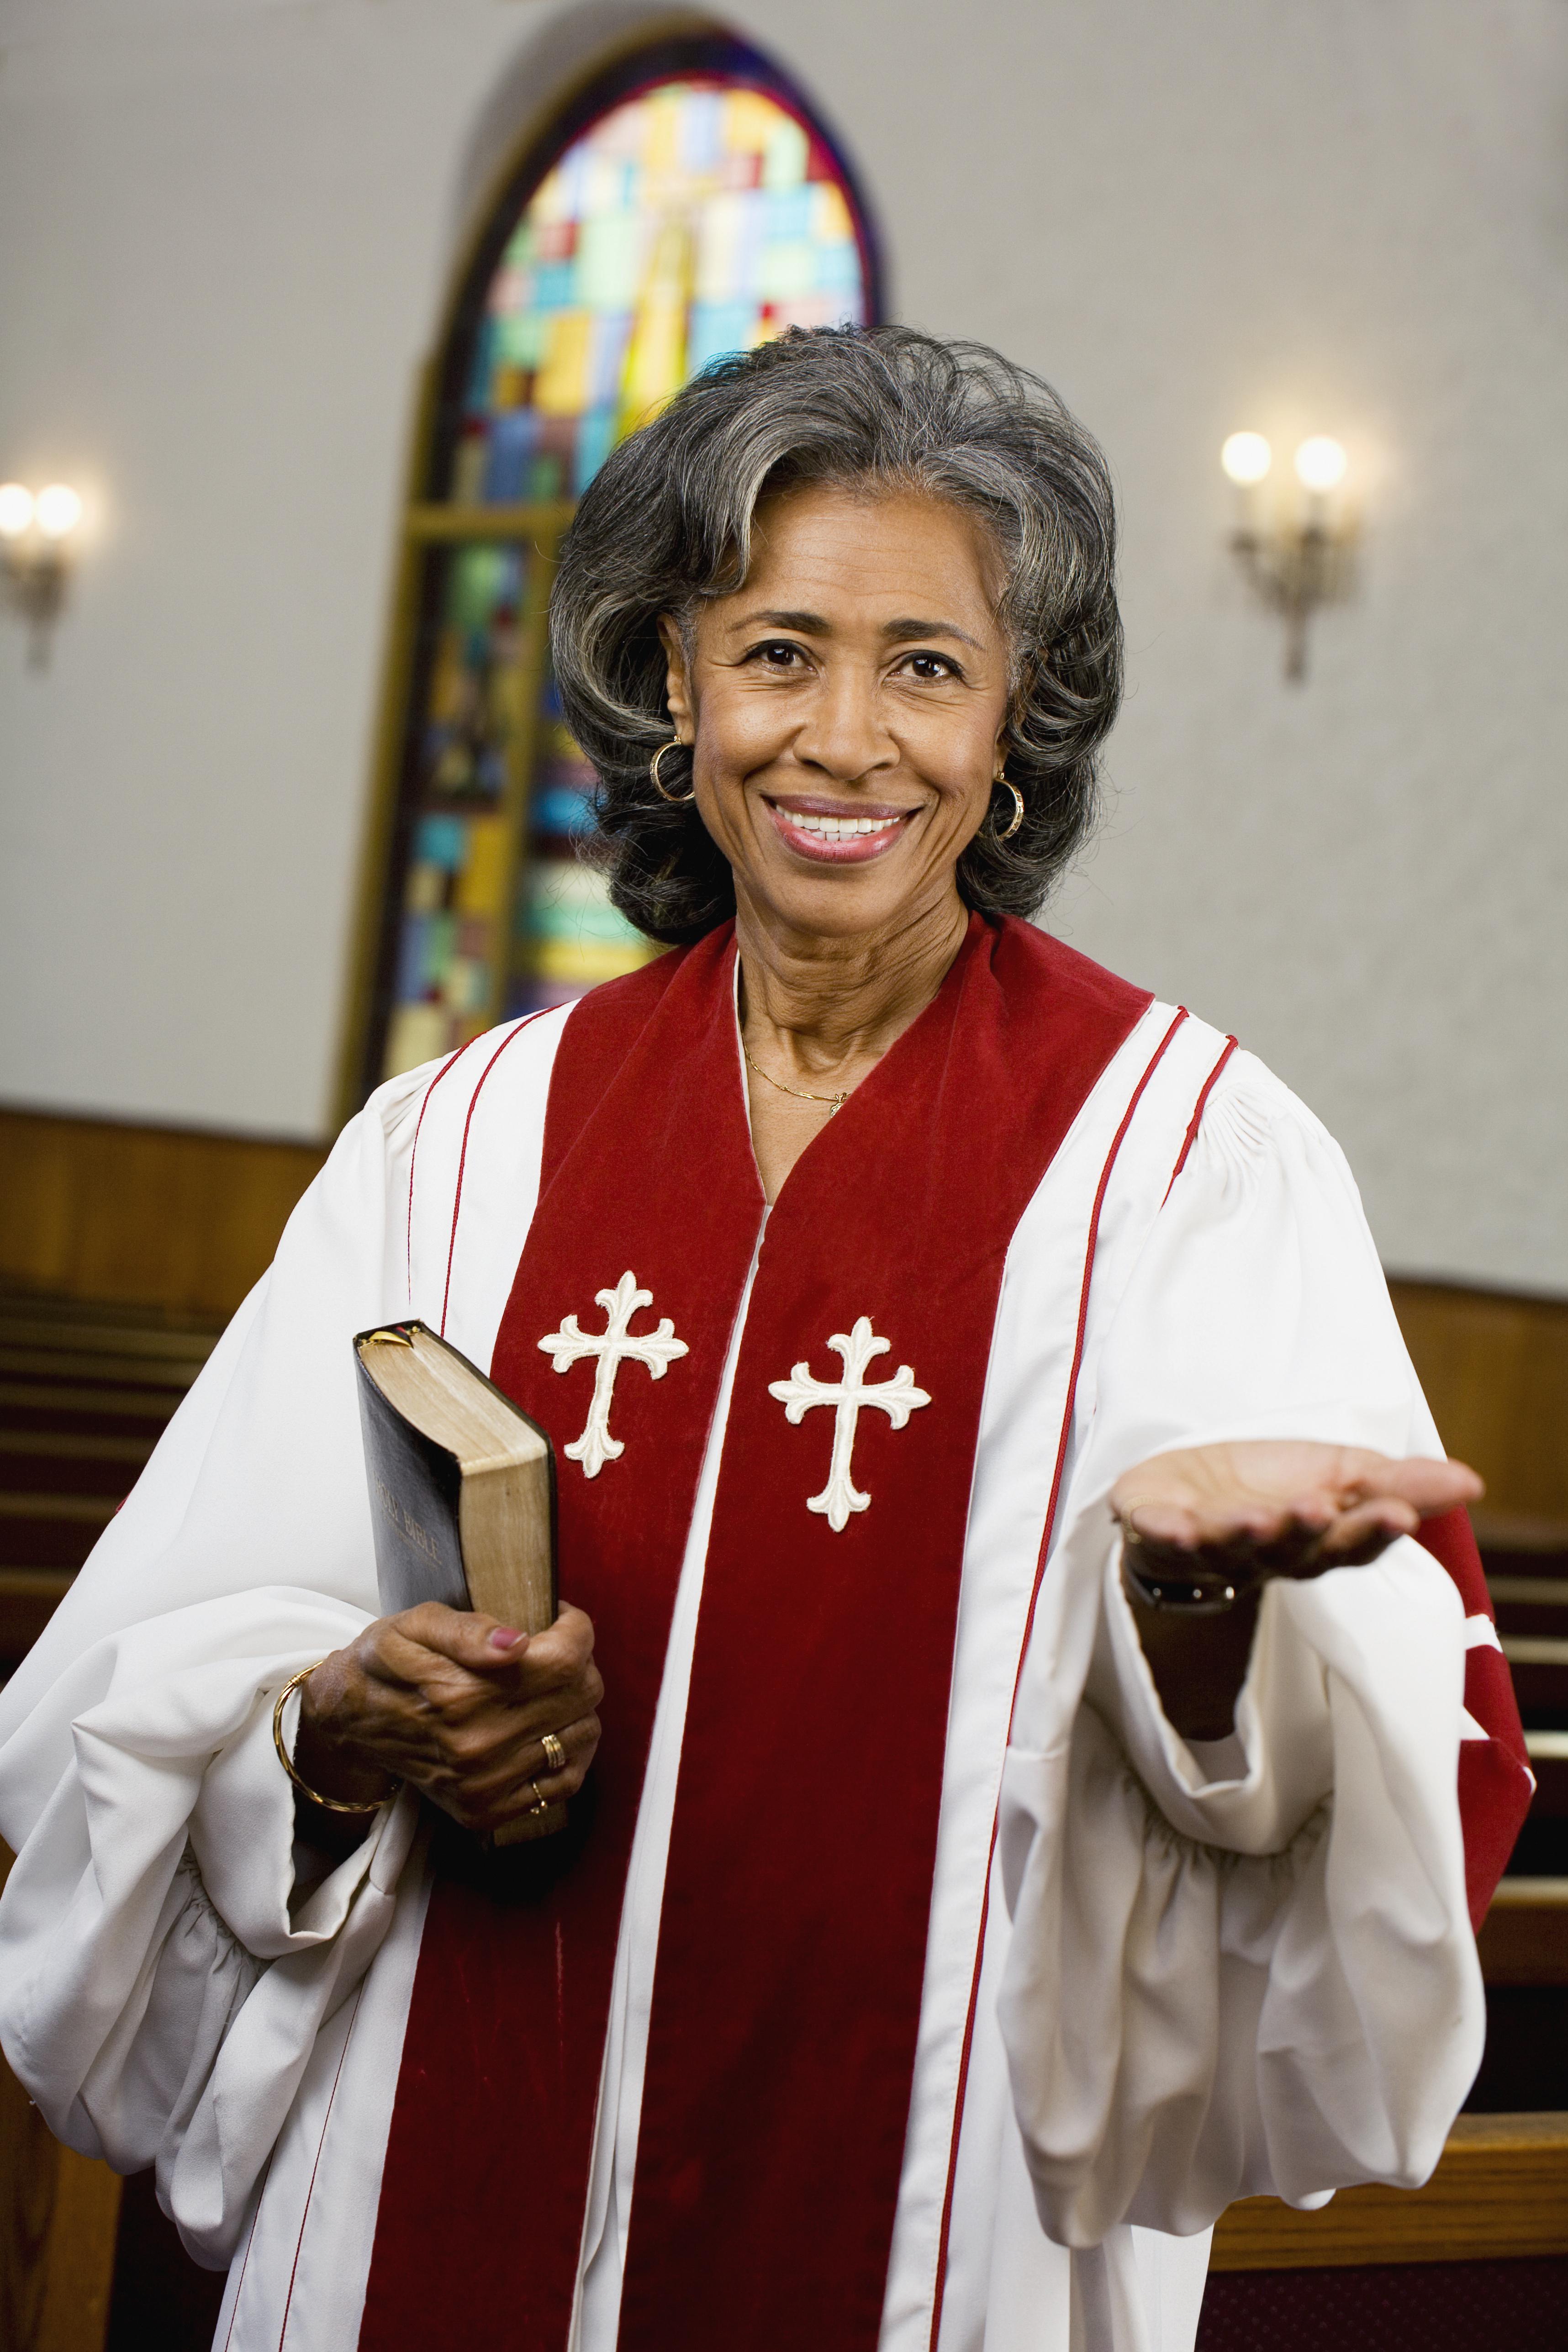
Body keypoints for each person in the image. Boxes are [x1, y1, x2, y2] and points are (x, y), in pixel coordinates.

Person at [0, 329, 1531, 2352]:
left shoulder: (1188, 1166)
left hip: (922, 2216)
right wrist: (337, 1728)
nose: (844, 739)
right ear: (671, 684)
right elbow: (169, 1667)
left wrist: (1192, 1622)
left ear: (1015, 725)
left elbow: (1361, 1808)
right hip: (428, 2188)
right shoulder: (453, 1150)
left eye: (926, 665)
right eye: (780, 649)